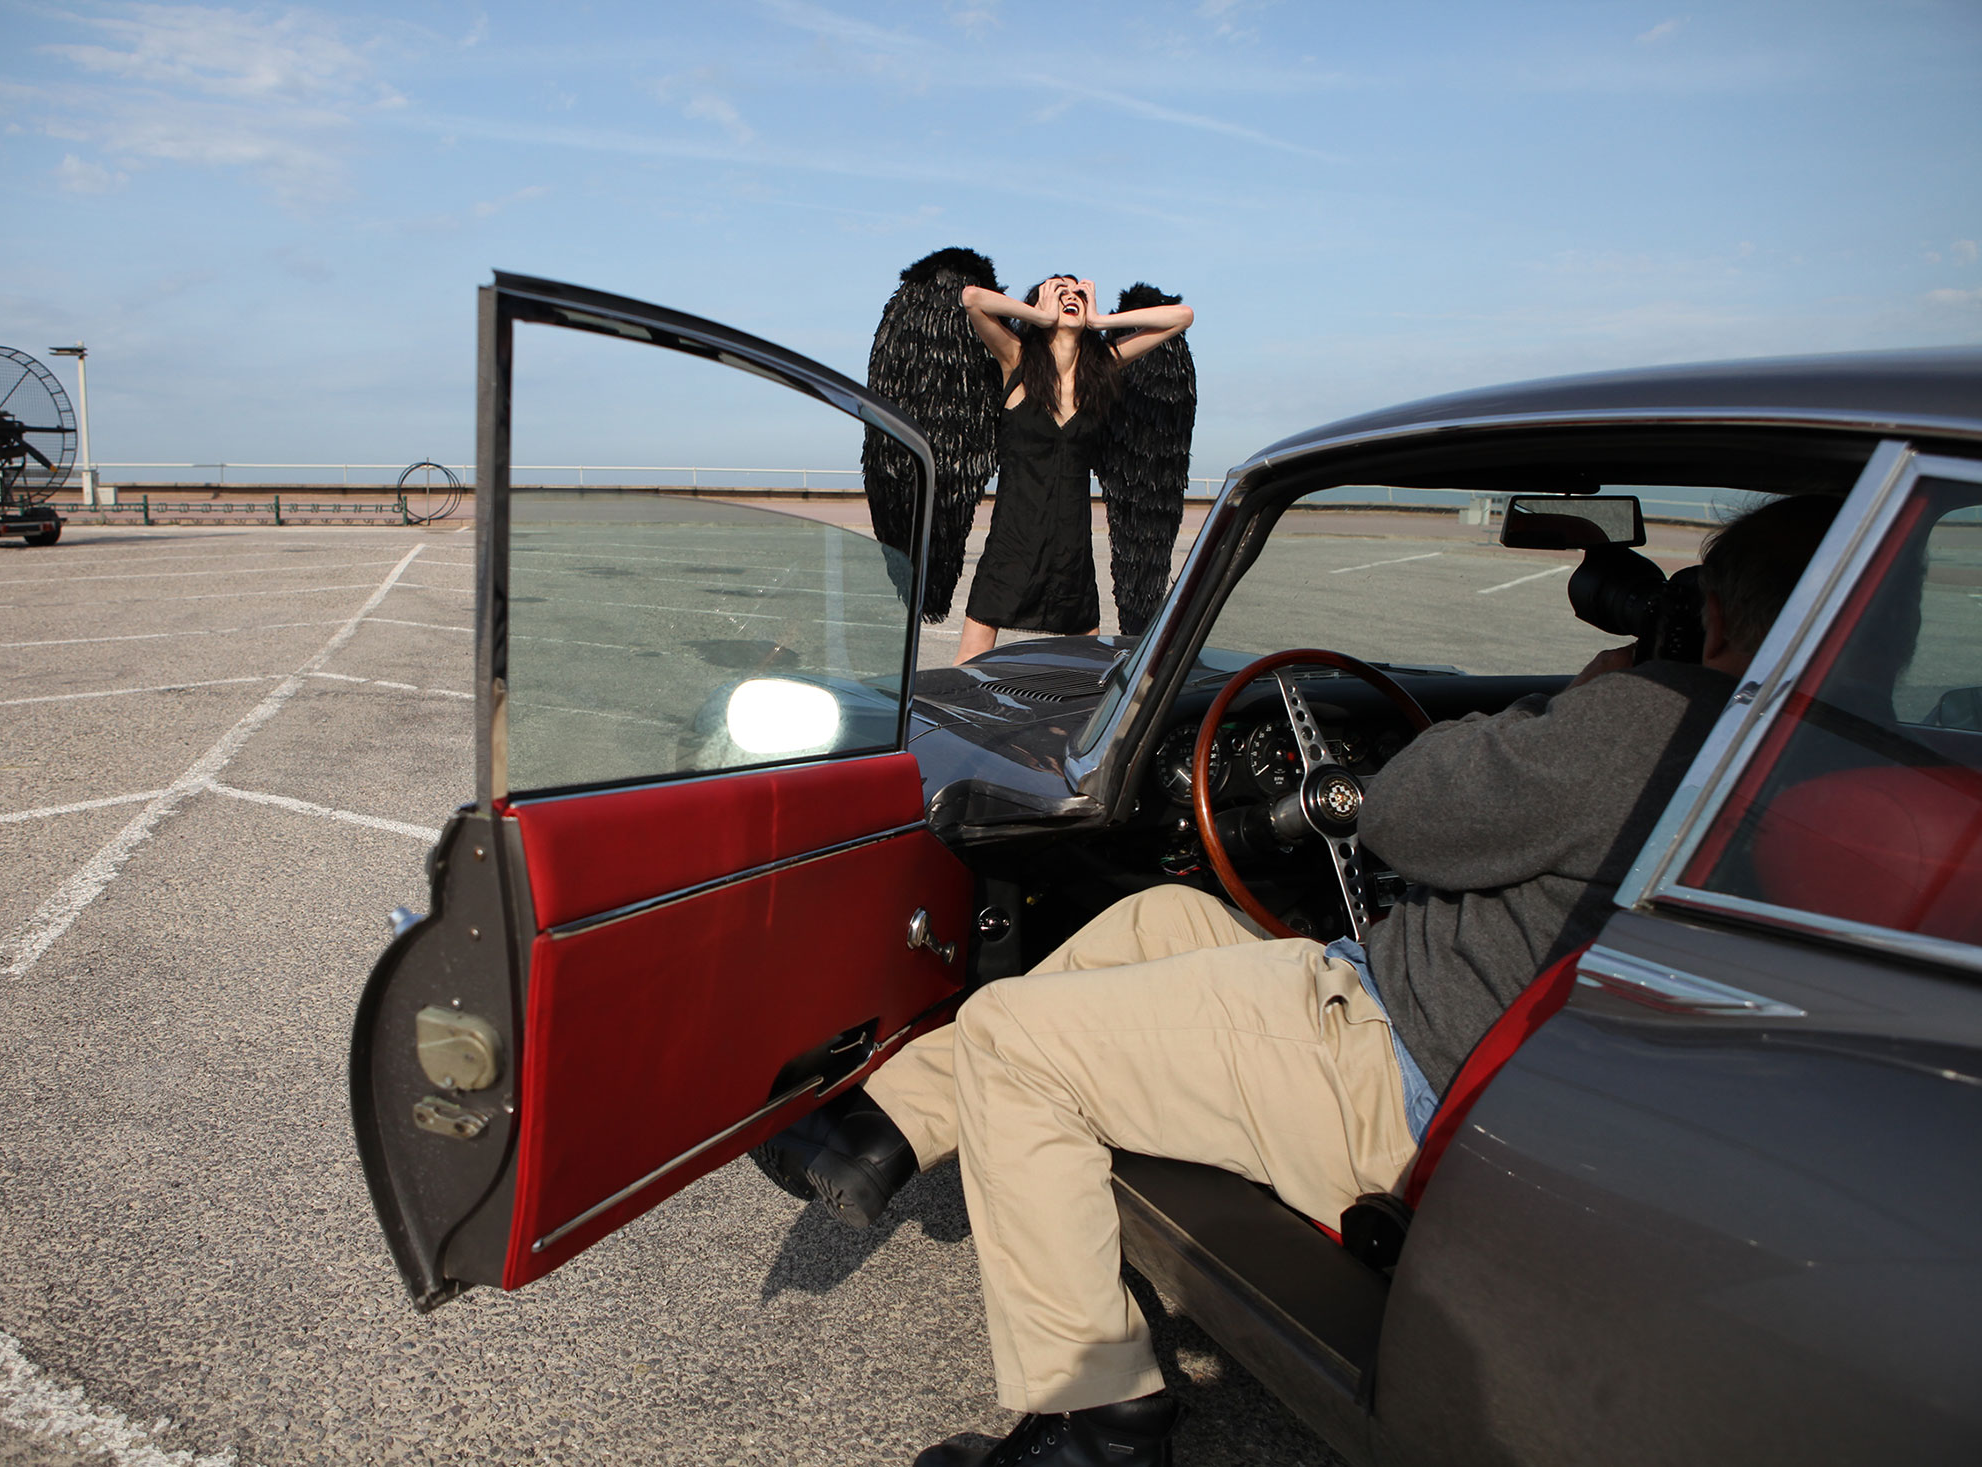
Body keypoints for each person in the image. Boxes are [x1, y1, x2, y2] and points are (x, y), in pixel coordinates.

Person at [757, 494, 1841, 1466]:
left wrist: (1588, 699)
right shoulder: (1835, 753)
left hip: (1405, 1071)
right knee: (1161, 916)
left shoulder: (1655, 719)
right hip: (1496, 1054)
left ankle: (1098, 1426)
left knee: (1011, 1035)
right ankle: (890, 1127)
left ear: (1717, 622)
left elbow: (1403, 817)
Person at [954, 276, 1194, 664]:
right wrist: (1037, 315)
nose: (1071, 298)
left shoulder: (1102, 366)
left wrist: (1101, 321)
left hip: (1072, 549)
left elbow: (1182, 317)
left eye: (1079, 293)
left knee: (1087, 667)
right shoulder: (1016, 359)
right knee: (968, 664)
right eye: (1059, 292)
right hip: (1012, 543)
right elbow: (972, 299)